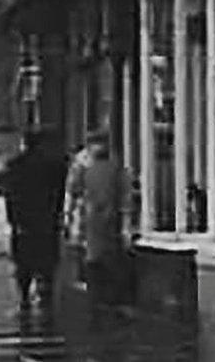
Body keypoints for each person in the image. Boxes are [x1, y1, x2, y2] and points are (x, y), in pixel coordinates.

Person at [65, 130, 134, 326]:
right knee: (99, 258)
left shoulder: (107, 166)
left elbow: (124, 196)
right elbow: (73, 192)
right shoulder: (96, 166)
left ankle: (102, 298)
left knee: (102, 259)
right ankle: (102, 297)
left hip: (103, 220)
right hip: (97, 220)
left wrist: (70, 218)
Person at [2, 130, 68, 311]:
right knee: (47, 257)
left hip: (23, 220)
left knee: (23, 259)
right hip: (47, 218)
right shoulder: (54, 166)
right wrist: (58, 214)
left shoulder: (15, 166)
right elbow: (60, 194)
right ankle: (45, 289)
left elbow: (10, 194)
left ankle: (24, 293)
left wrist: (13, 218)